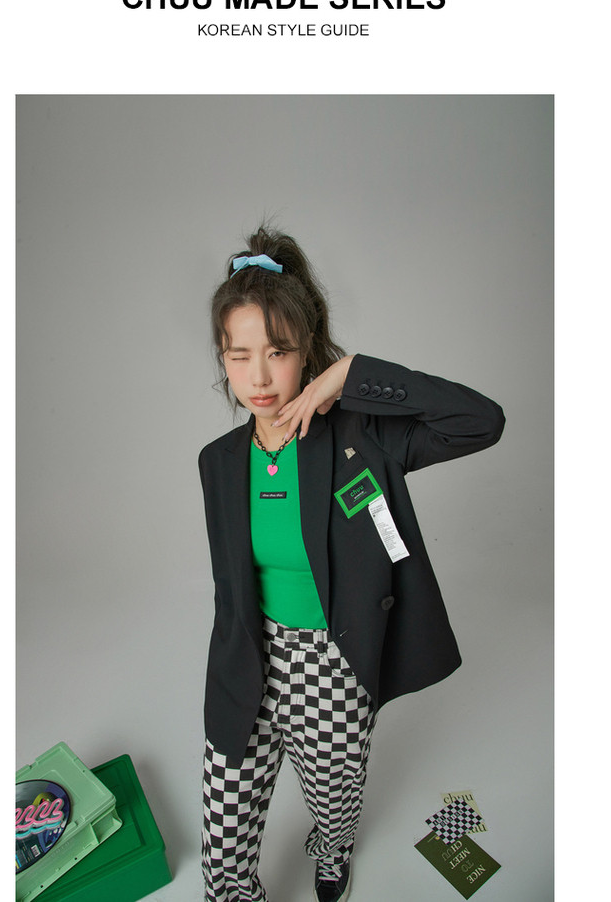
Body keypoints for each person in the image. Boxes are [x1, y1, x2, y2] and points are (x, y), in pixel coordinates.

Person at [198, 225, 505, 902]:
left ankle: (332, 850)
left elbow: (481, 421)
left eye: (278, 352)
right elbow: (231, 587)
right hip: (248, 657)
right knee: (221, 843)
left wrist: (354, 374)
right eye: (240, 355)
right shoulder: (218, 463)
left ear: (306, 350)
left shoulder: (361, 439)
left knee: (334, 801)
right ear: (223, 358)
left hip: (333, 661)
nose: (258, 376)